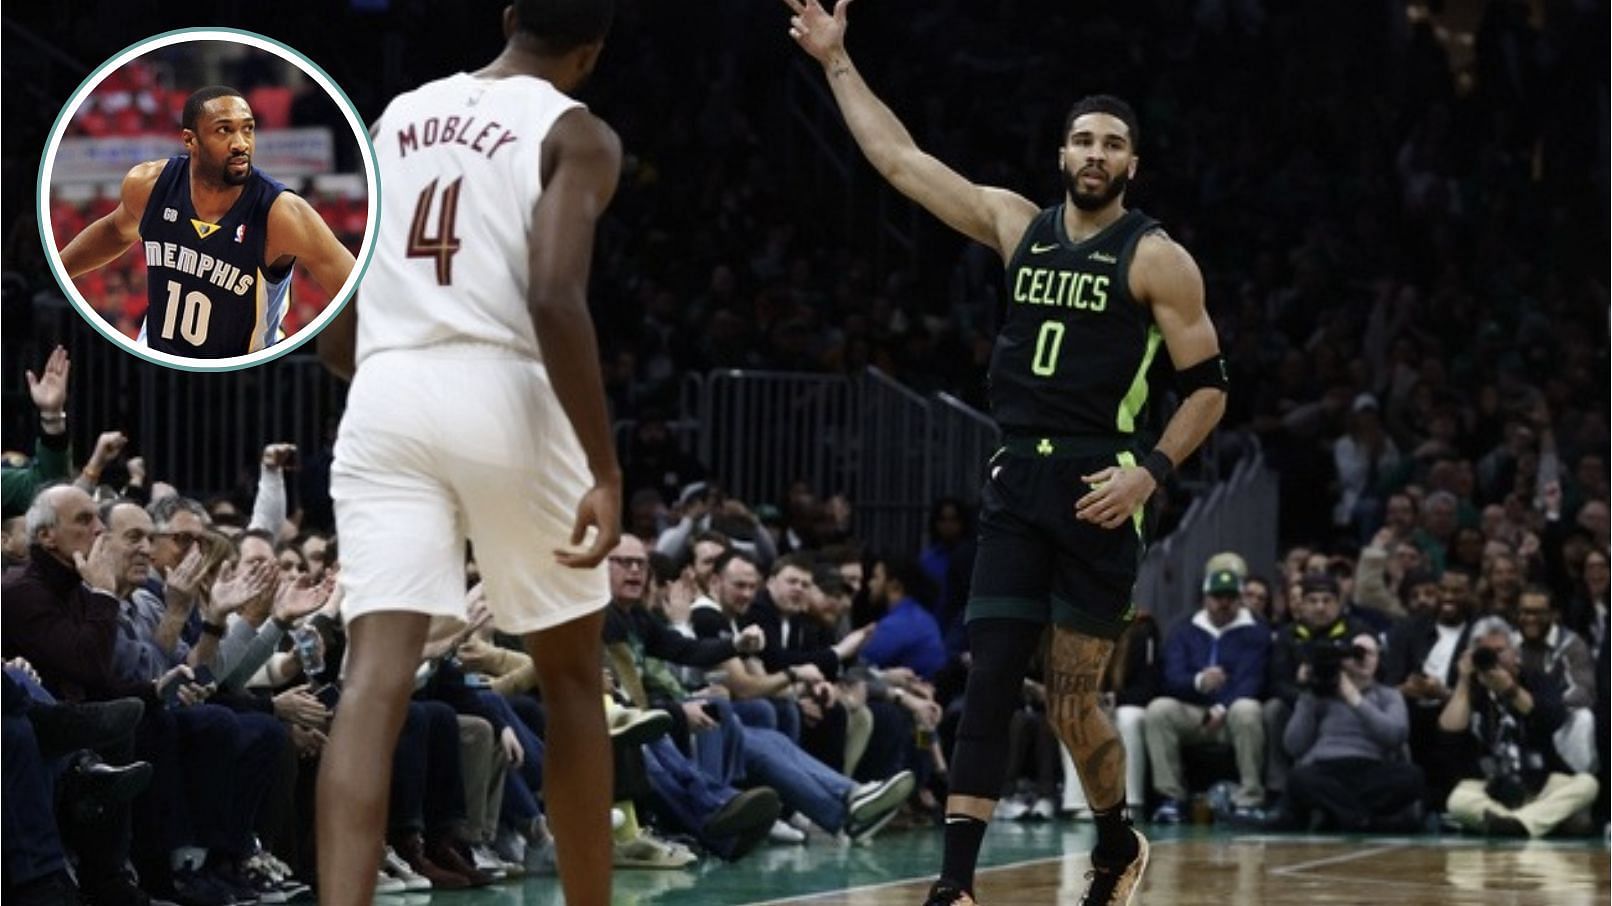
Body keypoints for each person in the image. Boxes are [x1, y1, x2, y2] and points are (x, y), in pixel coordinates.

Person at [783, 3, 1227, 902]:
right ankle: (955, 886)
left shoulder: (1159, 259)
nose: (1095, 155)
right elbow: (900, 160)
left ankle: (1114, 840)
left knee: (1071, 704)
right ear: (1061, 155)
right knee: (987, 681)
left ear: (1132, 164)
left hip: (1104, 484)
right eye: (1082, 141)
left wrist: (1152, 471)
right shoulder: (1018, 225)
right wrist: (835, 62)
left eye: (1111, 144)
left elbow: (1209, 387)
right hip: (1019, 473)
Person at [314, 1, 624, 903]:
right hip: (506, 390)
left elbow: (334, 325)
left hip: (385, 388)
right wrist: (604, 468)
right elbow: (556, 298)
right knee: (570, 680)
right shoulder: (578, 132)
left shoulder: (398, 116)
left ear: (508, 16)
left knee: (373, 683)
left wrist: (395, 378)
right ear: (591, 53)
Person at [57, 87, 355, 357]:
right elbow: (114, 230)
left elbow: (357, 289)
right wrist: (58, 270)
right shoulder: (149, 184)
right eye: (224, 131)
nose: (241, 144)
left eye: (247, 130)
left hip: (244, 370)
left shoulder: (282, 213)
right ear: (190, 140)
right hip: (156, 357)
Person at [1280, 633, 1423, 831]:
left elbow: (1396, 736)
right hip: (1326, 769)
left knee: (1412, 776)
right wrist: (1308, 692)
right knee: (1298, 778)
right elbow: (1293, 746)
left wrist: (1354, 699)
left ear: (1379, 660)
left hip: (1371, 769)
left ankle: (1338, 815)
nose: (1362, 659)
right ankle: (1363, 819)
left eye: (1369, 653)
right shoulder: (1320, 694)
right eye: (1355, 653)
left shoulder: (1388, 695)